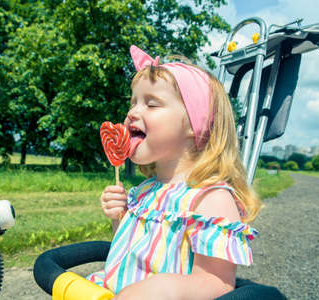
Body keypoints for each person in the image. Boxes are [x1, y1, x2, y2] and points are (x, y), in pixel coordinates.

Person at [87, 45, 262, 299]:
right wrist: (119, 219)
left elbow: (217, 283)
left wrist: (163, 288)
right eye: (133, 102)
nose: (132, 112)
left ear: (194, 124)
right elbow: (134, 254)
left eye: (151, 104)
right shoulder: (145, 191)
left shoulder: (210, 199)